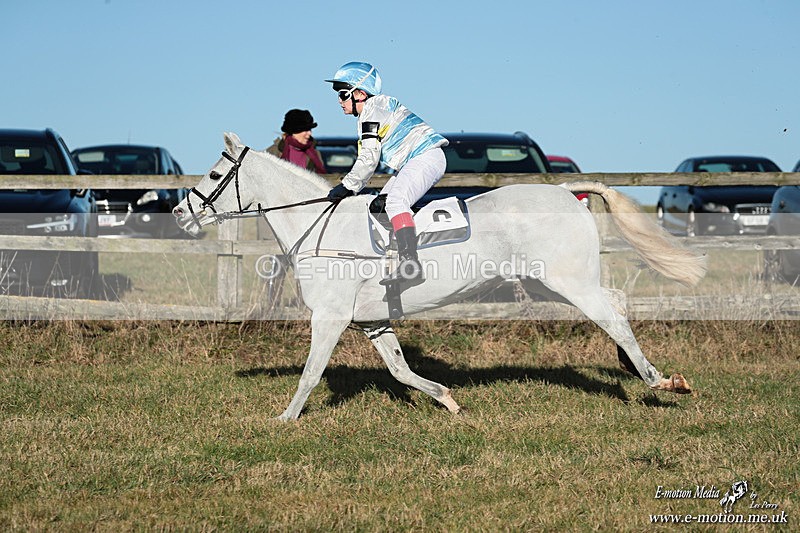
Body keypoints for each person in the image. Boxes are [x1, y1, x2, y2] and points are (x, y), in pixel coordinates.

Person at [324, 61, 448, 291]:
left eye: (342, 94)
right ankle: (399, 258)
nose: (339, 102)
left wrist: (347, 186)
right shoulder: (374, 108)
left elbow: (369, 158)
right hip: (417, 160)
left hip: (425, 157)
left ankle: (411, 265)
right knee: (379, 207)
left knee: (395, 202)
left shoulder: (372, 110)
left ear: (359, 94)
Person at [267, 109, 326, 174]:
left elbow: (321, 179)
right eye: (305, 130)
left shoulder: (315, 154)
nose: (309, 133)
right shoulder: (273, 152)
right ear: (293, 131)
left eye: (310, 129)